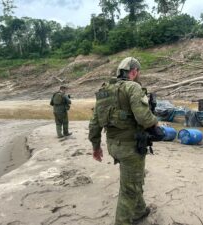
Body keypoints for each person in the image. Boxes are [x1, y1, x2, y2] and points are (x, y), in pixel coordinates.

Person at [89, 57, 158, 225]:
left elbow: (95, 123)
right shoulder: (133, 87)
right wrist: (156, 123)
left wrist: (96, 147)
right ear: (134, 71)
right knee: (129, 189)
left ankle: (140, 210)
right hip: (130, 148)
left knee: (133, 179)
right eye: (138, 73)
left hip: (113, 145)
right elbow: (144, 118)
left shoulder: (104, 90)